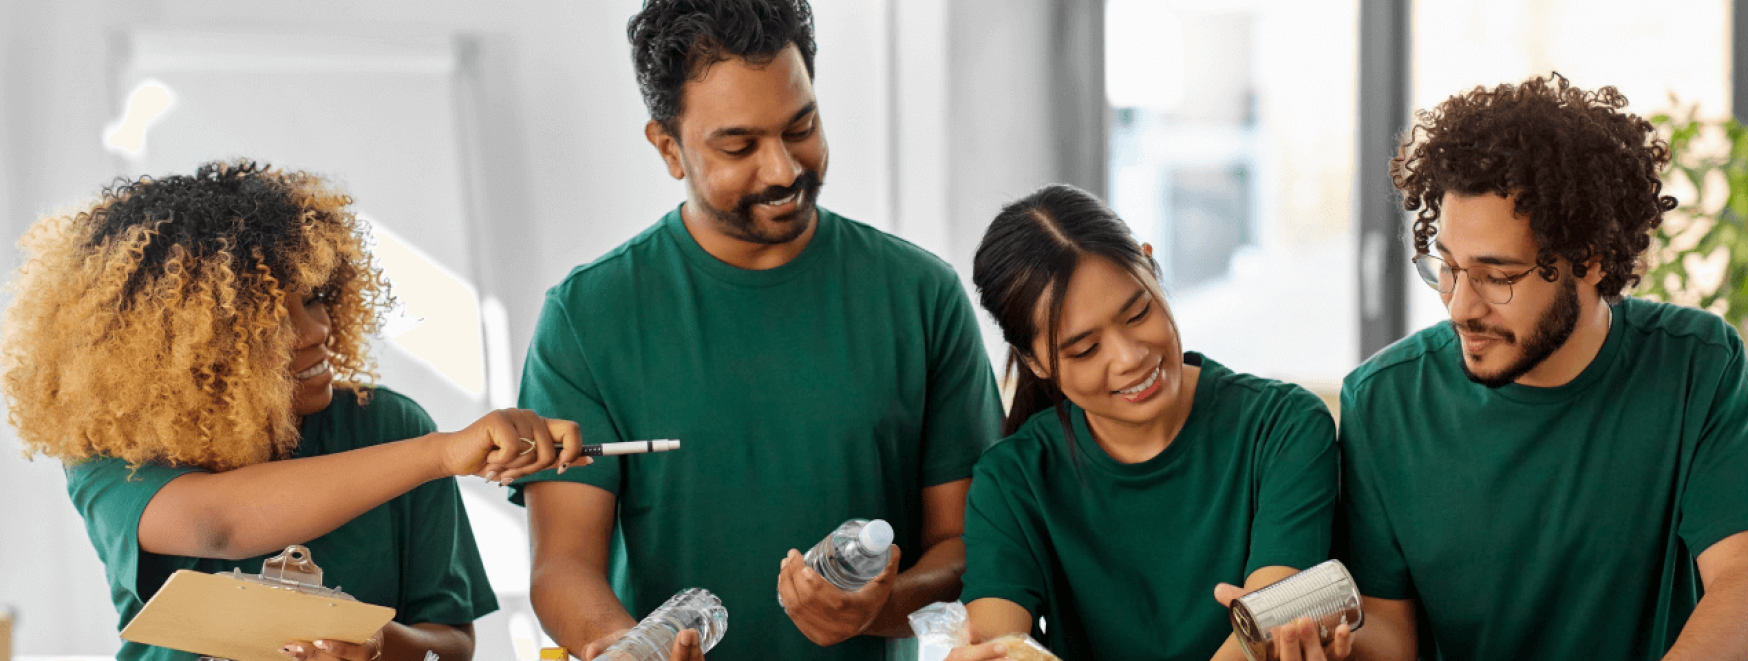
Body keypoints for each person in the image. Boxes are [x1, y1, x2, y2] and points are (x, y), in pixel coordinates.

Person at [510, 1, 1002, 659]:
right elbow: (563, 563)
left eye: (801, 127)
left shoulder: (922, 296)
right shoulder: (586, 316)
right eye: (739, 146)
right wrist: (620, 646)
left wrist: (879, 609)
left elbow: (970, 545)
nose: (782, 170)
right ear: (667, 147)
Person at [1, 160, 585, 661]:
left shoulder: (391, 428)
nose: (317, 331)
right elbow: (215, 524)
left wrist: (381, 644)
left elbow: (450, 647)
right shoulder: (115, 454)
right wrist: (438, 455)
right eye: (269, 319)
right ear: (187, 347)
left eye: (313, 298)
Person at [1330, 74, 1748, 661]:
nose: (1460, 306)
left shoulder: (1696, 365)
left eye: (1498, 277)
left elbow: (1746, 585)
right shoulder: (1382, 403)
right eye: (1446, 266)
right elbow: (1388, 633)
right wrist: (1331, 648)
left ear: (1591, 259)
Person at [941, 184, 1340, 661]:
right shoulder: (1013, 479)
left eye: (1138, 313)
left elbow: (1267, 633)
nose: (1129, 358)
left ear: (1151, 266)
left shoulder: (1283, 429)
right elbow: (998, 645)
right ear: (1035, 361)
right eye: (1086, 349)